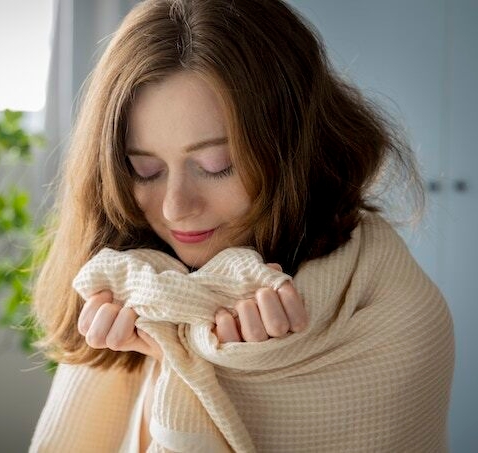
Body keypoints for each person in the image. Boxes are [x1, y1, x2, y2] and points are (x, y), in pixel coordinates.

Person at [29, 0, 454, 452]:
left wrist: (229, 378)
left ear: (293, 152)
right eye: (145, 170)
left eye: (217, 166)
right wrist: (171, 357)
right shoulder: (132, 283)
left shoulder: (393, 313)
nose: (175, 208)